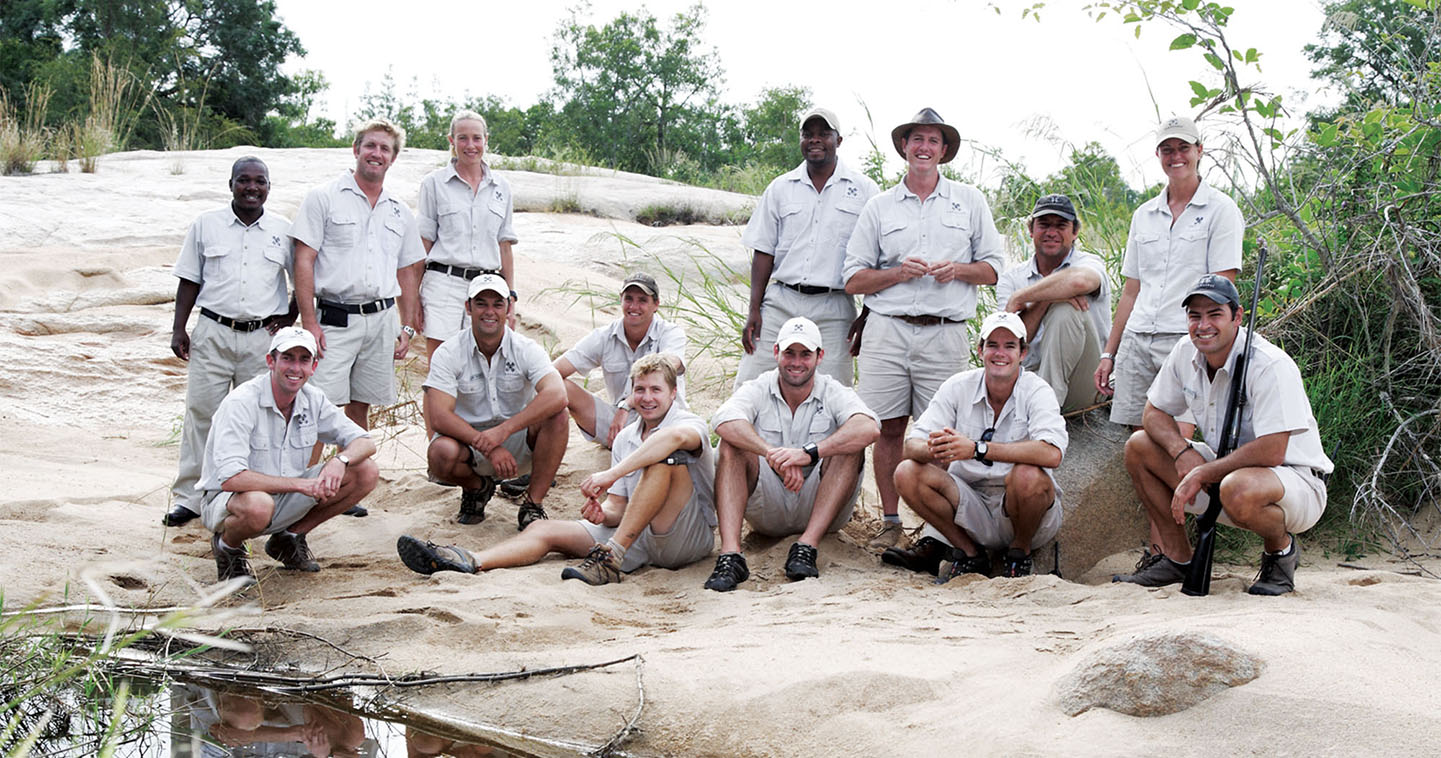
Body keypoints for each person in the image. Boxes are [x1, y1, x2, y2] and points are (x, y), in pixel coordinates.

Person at [397, 354, 716, 586]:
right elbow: (618, 507)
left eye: (656, 390)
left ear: (673, 393)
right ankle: (470, 560)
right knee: (542, 530)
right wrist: (601, 515)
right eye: (640, 390)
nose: (647, 398)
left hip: (683, 539)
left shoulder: (687, 423)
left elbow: (673, 440)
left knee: (664, 459)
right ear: (631, 395)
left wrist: (611, 474)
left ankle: (611, 558)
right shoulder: (627, 438)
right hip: (637, 537)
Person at [842, 107, 1006, 550]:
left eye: (933, 140)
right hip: (887, 331)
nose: (924, 148)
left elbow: (994, 269)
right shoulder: (879, 206)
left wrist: (959, 270)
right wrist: (897, 273)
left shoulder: (969, 201)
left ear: (945, 150)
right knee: (887, 429)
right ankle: (892, 521)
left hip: (946, 332)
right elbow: (853, 278)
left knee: (942, 435)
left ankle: (938, 527)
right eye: (917, 139)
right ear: (903, 146)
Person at [1112, 275, 1332, 595]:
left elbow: (1272, 450)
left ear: (1237, 317)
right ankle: (1177, 558)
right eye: (1195, 315)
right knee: (1139, 446)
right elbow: (1153, 413)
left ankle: (1280, 552)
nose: (1203, 325)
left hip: (1296, 481)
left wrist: (1203, 471)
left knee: (1237, 488)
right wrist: (1181, 452)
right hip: (1227, 472)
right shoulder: (1185, 350)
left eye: (1214, 314)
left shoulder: (1268, 364)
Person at [1093, 114, 1243, 556]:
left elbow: (1224, 283)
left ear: (1200, 151)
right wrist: (1109, 352)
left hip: (1188, 338)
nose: (1176, 157)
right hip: (1139, 336)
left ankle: (1183, 547)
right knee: (1143, 446)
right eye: (1167, 150)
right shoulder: (1145, 214)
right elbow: (1131, 288)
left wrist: (1207, 337)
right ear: (1158, 156)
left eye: (1184, 148)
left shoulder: (1221, 210)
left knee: (1180, 441)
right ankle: (1162, 552)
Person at [164, 156, 296, 528]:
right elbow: (189, 279)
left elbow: (304, 275)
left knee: (259, 419)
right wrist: (179, 328)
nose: (252, 187)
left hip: (262, 339)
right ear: (231, 184)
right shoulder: (206, 225)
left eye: (260, 181)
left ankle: (253, 496)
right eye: (244, 180)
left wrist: (290, 316)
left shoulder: (282, 230)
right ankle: (190, 498)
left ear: (269, 187)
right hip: (212, 332)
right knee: (202, 413)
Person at [888, 312, 1067, 581]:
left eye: (1010, 346)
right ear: (980, 349)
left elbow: (1052, 453)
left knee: (1027, 475)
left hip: (1025, 509)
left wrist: (977, 448)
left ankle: (1019, 552)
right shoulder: (958, 386)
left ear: (1023, 353)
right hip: (969, 503)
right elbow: (911, 446)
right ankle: (969, 553)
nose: (1000, 353)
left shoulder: (1037, 390)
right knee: (906, 472)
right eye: (993, 345)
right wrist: (941, 448)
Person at [704, 317, 880, 591]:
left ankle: (807, 545)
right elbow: (723, 420)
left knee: (851, 446)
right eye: (789, 353)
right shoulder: (759, 386)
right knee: (730, 445)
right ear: (776, 353)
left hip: (822, 506)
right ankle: (730, 555)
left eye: (805, 354)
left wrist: (809, 453)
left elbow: (868, 427)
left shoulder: (833, 390)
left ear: (819, 357)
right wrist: (773, 454)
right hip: (768, 506)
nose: (796, 362)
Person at [200, 328, 379, 583]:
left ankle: (290, 538)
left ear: (314, 366)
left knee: (366, 471)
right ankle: (228, 547)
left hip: (285, 496)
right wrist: (300, 485)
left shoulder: (313, 398)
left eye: (304, 359)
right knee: (258, 506)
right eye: (287, 358)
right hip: (229, 500)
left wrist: (340, 461)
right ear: (270, 361)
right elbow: (232, 479)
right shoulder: (241, 402)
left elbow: (365, 442)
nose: (295, 367)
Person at [290, 118, 425, 434]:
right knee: (319, 404)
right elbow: (303, 261)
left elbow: (407, 271)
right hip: (334, 319)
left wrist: (405, 326)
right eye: (370, 145)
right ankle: (304, 481)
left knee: (361, 405)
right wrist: (309, 324)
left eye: (385, 148)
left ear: (393, 158)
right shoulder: (323, 197)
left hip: (381, 321)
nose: (376, 153)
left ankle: (353, 478)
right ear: (356, 149)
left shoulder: (399, 210)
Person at [734, 107, 879, 387]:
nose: (815, 140)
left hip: (835, 306)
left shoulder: (865, 191)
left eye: (824, 134)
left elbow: (878, 258)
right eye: (807, 134)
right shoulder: (780, 188)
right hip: (781, 301)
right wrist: (754, 309)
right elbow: (764, 251)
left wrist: (867, 314)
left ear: (839, 141)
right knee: (750, 382)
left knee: (834, 389)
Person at [423, 274, 568, 529]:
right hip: (468, 442)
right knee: (439, 453)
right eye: (481, 303)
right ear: (468, 307)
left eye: (497, 304)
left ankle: (533, 504)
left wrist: (503, 432)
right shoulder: (448, 352)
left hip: (517, 438)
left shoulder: (526, 348)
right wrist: (489, 446)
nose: (489, 312)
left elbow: (557, 394)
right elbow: (439, 416)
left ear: (508, 308)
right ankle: (478, 488)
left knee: (558, 415)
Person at [996, 193, 1111, 413]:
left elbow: (1079, 281)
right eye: (1044, 225)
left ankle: (1045, 413)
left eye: (1061, 226)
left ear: (1075, 232)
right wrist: (1047, 298)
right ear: (1031, 230)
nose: (1051, 232)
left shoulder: (1089, 263)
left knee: (1065, 309)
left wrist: (1022, 298)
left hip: (1082, 381)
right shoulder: (1012, 278)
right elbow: (1011, 340)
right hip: (1030, 378)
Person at [417, 110, 519, 358]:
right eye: (463, 138)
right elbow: (423, 243)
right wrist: (413, 301)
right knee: (441, 365)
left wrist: (510, 297)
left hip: (487, 289)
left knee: (481, 361)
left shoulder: (501, 187)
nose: (470, 145)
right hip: (443, 286)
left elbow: (504, 245)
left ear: (486, 140)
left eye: (476, 138)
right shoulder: (434, 183)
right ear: (451, 140)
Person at [552, 272, 687, 451]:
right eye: (628, 299)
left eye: (642, 300)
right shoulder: (604, 336)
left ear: (656, 304)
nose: (634, 306)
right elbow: (552, 372)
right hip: (619, 423)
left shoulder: (671, 333)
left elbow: (669, 364)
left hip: (664, 421)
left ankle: (637, 445)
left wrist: (627, 404)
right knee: (555, 385)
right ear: (620, 301)